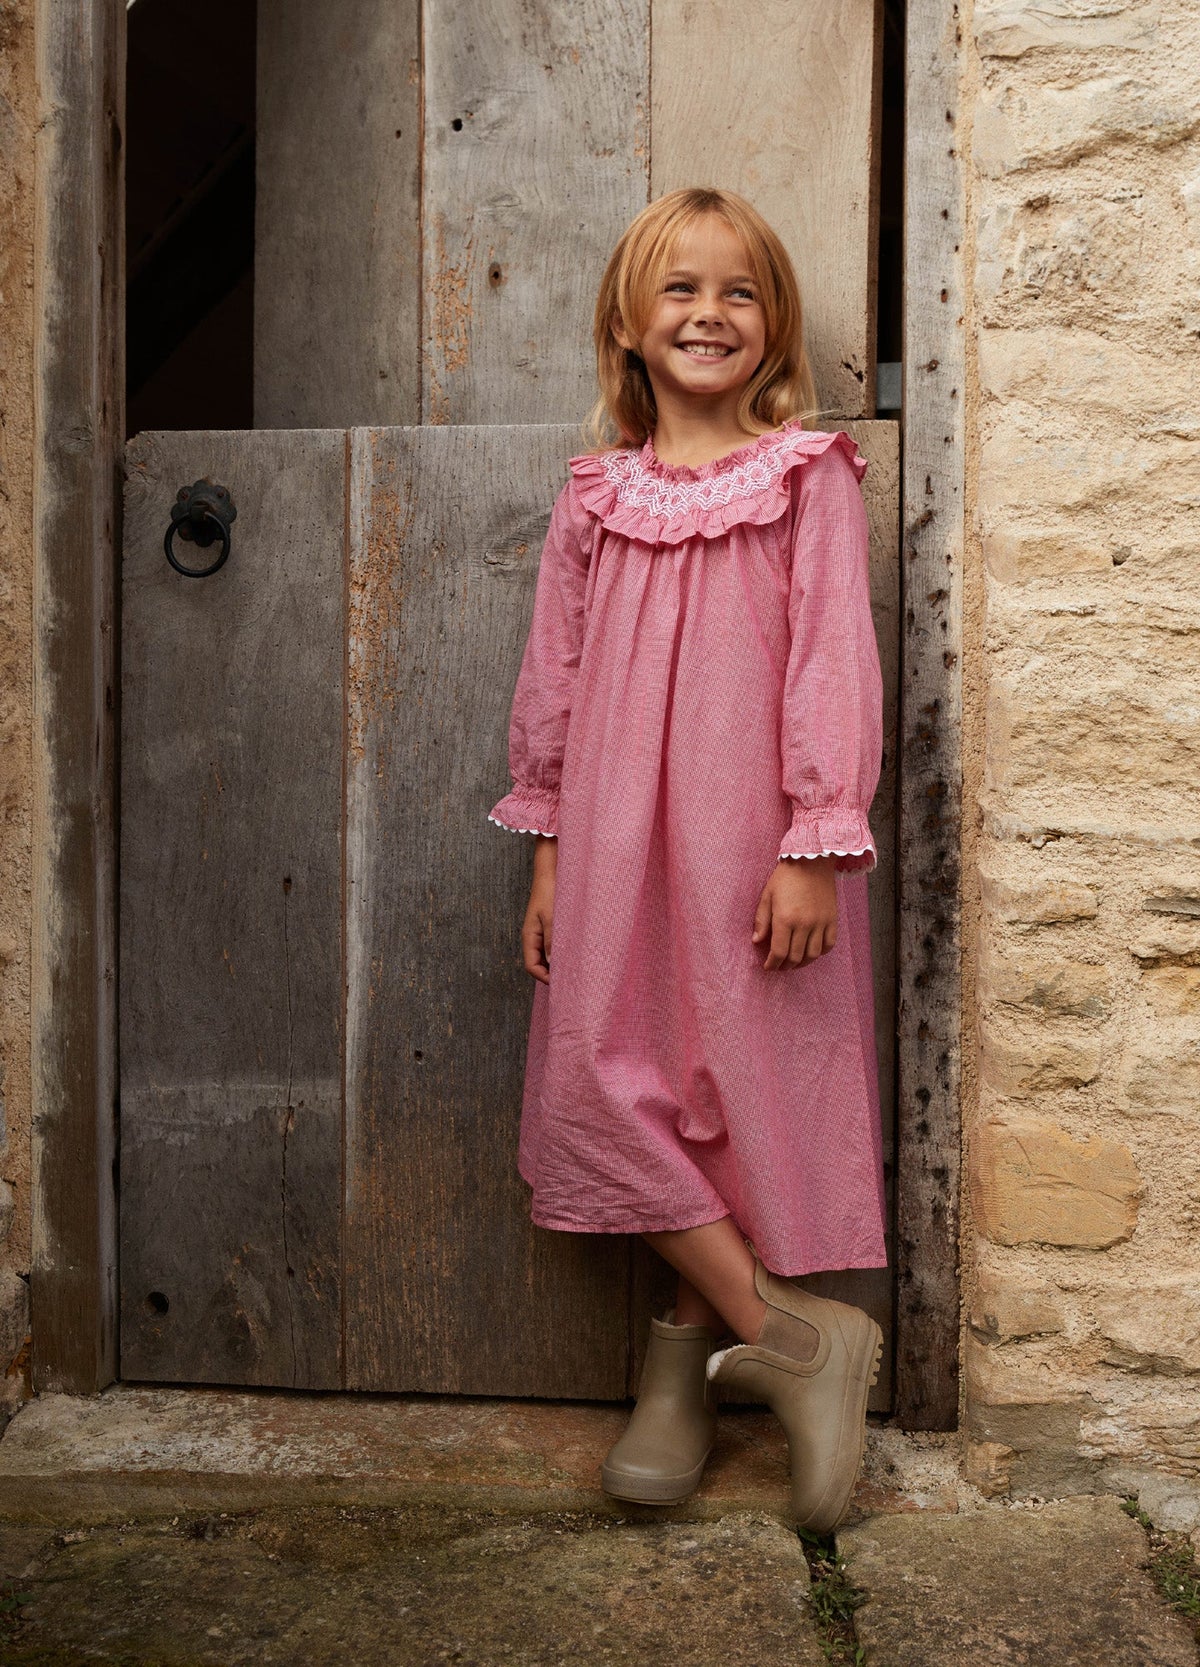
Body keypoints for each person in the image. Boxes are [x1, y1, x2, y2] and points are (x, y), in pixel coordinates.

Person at [487, 186, 887, 1533]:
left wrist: (816, 842)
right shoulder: (597, 494)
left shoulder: (805, 478)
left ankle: (685, 1375)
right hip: (609, 840)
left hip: (751, 841)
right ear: (627, 318)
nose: (708, 313)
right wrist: (546, 848)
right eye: (679, 288)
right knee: (600, 1084)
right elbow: (558, 669)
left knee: (735, 1093)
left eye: (738, 292)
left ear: (770, 326)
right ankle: (791, 1336)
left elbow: (834, 655)